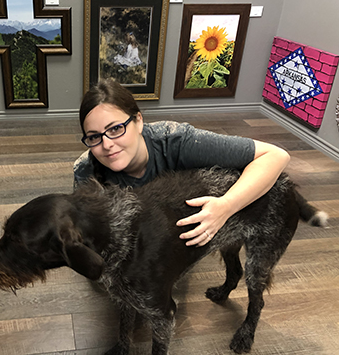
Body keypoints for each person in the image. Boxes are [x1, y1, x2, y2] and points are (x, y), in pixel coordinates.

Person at [74, 79, 290, 247]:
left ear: (138, 120)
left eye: (115, 129)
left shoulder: (176, 141)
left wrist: (226, 206)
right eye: (94, 137)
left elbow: (275, 156)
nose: (107, 144)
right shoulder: (86, 172)